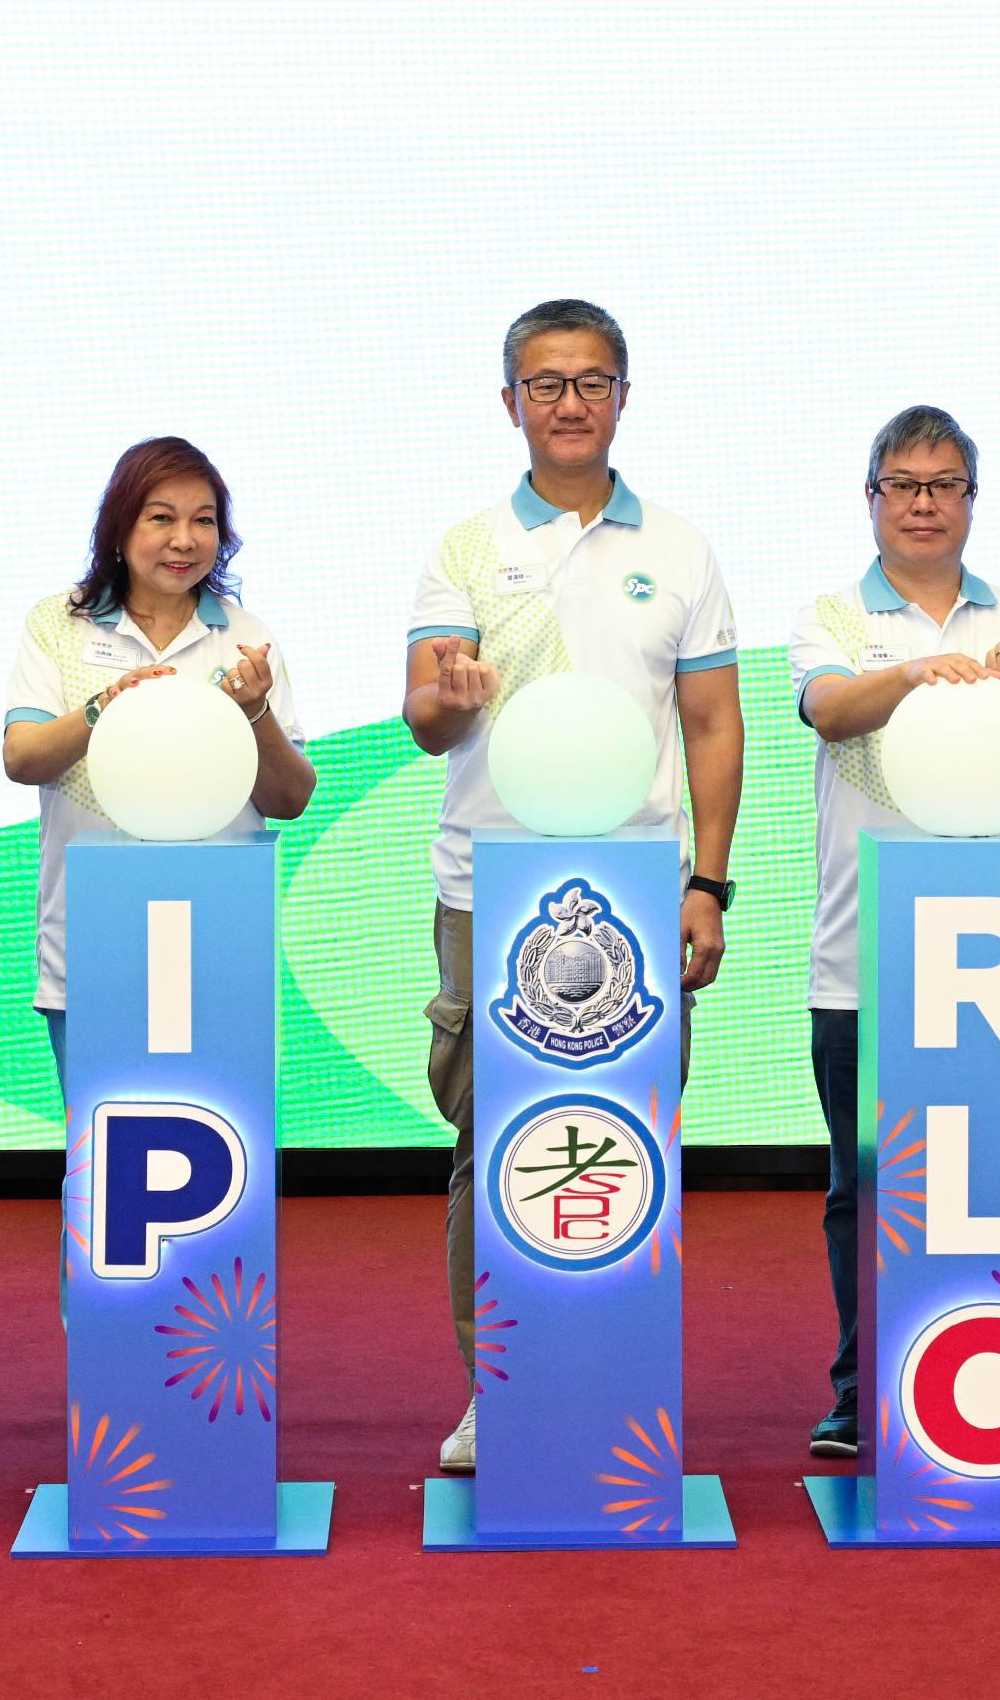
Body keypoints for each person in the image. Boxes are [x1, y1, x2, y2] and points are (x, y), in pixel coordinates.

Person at [405, 298, 739, 1474]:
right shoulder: (465, 549)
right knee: (488, 1144)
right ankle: (493, 1388)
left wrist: (709, 879)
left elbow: (711, 722)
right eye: (544, 384)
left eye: (590, 381)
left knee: (629, 1139)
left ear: (623, 397)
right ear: (509, 403)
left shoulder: (681, 549)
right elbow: (419, 720)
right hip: (486, 891)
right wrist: (452, 693)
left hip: (639, 894)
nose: (568, 403)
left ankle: (615, 1377)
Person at [786, 405, 1000, 1458]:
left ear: (972, 497)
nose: (923, 503)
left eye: (945, 484)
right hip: (862, 952)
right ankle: (858, 1384)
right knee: (863, 1181)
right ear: (869, 497)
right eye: (902, 484)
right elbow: (829, 712)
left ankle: (994, 1384)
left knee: (998, 1181)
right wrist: (919, 671)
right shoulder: (831, 615)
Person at [0, 437, 315, 1076]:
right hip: (95, 935)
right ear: (120, 526)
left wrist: (254, 713)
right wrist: (102, 709)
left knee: (221, 1141)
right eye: (161, 517)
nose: (185, 539)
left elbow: (290, 801)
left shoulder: (246, 636)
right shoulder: (59, 624)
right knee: (107, 1147)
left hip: (217, 938)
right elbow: (22, 757)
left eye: (204, 520)